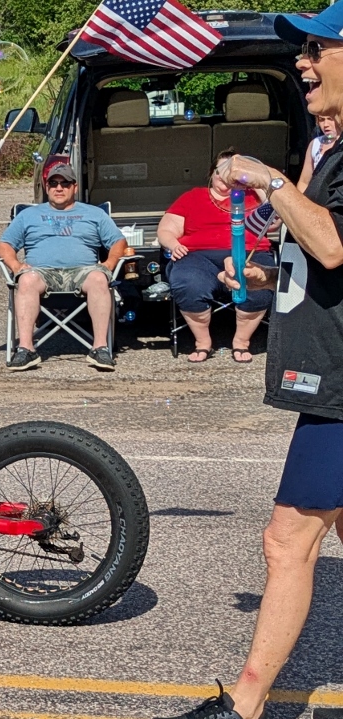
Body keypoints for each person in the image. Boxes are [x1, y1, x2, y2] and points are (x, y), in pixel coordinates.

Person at [157, 9, 343, 719]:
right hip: (330, 371)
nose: (301, 60)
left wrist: (269, 179)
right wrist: (262, 275)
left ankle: (245, 705)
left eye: (317, 47)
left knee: (286, 540)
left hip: (342, 384)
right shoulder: (328, 148)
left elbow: (333, 245)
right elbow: (316, 255)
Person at [0, 163, 128, 372]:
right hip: (41, 273)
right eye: (53, 183)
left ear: (75, 187)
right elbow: (5, 245)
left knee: (98, 278)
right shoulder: (28, 215)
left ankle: (100, 348)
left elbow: (118, 242)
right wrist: (16, 265)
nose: (59, 188)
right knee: (26, 279)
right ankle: (26, 350)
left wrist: (109, 263)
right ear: (46, 186)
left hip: (83, 273)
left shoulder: (94, 214)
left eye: (65, 183)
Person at [157, 149, 275, 363]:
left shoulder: (253, 196)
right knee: (188, 283)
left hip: (248, 252)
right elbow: (166, 229)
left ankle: (242, 341)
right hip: (198, 256)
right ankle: (202, 342)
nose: (225, 177)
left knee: (259, 284)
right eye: (220, 171)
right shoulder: (192, 197)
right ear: (212, 173)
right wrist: (174, 245)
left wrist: (257, 185)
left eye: (232, 172)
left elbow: (276, 220)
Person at [297, 114, 337, 191]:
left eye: (330, 119)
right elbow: (304, 182)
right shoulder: (315, 143)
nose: (325, 124)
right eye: (321, 120)